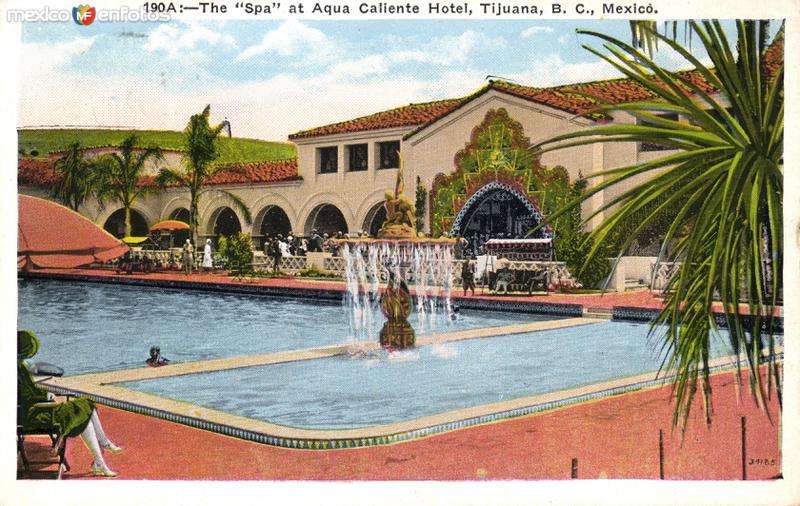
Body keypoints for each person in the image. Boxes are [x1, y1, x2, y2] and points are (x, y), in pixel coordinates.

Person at [18, 330, 122, 477]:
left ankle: (103, 448)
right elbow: (30, 397)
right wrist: (48, 395)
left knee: (85, 405)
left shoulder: (17, 367)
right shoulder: (20, 369)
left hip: (30, 413)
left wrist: (45, 395)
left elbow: (28, 395)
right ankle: (101, 458)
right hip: (36, 415)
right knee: (83, 409)